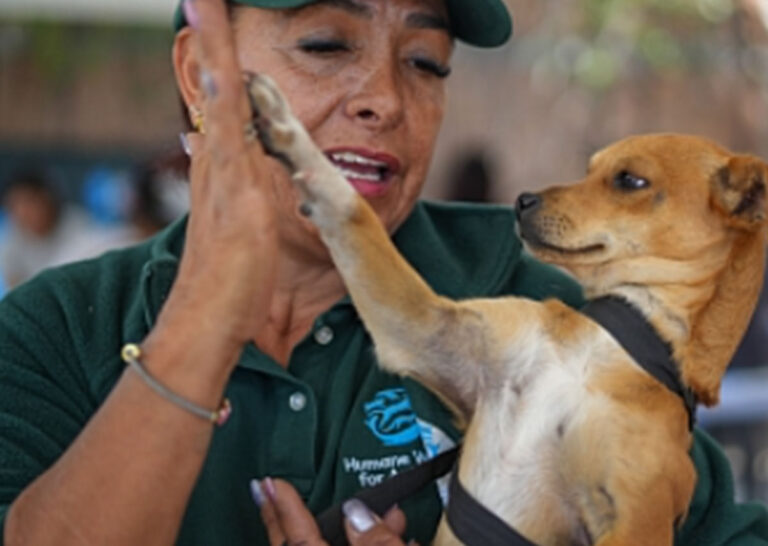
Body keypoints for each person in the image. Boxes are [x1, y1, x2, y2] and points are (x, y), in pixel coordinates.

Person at [0, 1, 766, 545]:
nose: (386, 100)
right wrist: (201, 315)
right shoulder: (59, 329)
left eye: (425, 62)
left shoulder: (537, 299)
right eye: (327, 45)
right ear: (203, 75)